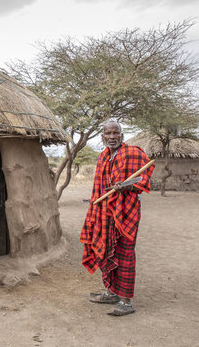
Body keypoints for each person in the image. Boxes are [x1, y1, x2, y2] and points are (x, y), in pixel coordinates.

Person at [80, 121, 154, 316]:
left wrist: (127, 186)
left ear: (121, 135)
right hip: (104, 213)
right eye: (108, 133)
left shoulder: (133, 153)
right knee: (106, 251)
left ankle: (126, 302)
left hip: (125, 214)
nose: (112, 136)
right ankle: (111, 292)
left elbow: (145, 180)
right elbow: (98, 186)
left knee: (125, 255)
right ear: (102, 136)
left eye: (115, 133)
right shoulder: (103, 156)